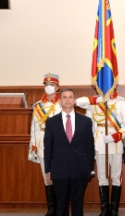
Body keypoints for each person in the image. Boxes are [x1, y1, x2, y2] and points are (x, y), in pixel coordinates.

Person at [76, 89, 125, 216]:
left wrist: (115, 136)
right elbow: (77, 102)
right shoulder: (94, 102)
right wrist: (97, 99)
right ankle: (104, 210)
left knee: (116, 177)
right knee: (102, 177)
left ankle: (114, 210)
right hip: (100, 143)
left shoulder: (121, 102)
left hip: (116, 143)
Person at [44, 88, 95, 216]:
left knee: (78, 205)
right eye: (65, 97)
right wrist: (48, 170)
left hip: (80, 169)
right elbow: (48, 148)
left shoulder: (85, 121)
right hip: (59, 169)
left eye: (70, 97)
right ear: (60, 100)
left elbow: (89, 147)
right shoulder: (51, 122)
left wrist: (89, 168)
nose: (67, 100)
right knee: (61, 206)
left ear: (74, 100)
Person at [28, 73, 62, 216]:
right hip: (42, 143)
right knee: (46, 177)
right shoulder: (37, 106)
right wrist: (33, 145)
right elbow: (34, 127)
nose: (49, 87)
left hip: (57, 144)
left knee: (59, 177)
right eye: (46, 85)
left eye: (52, 85)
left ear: (57, 87)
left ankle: (60, 209)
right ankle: (51, 209)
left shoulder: (62, 104)